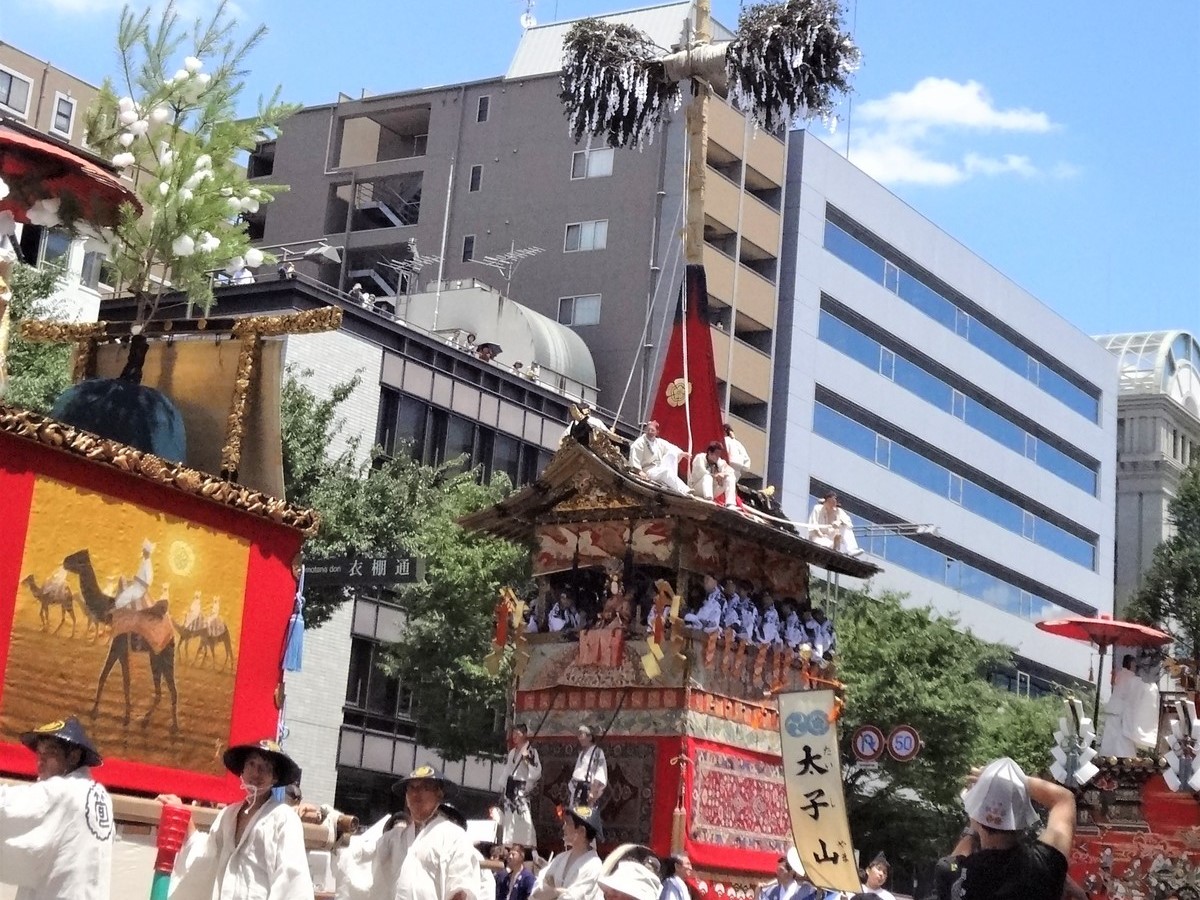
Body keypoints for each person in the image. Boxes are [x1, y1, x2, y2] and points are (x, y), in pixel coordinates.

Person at [0, 717, 113, 900]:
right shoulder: (100, 795)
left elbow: (7, 805)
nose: (40, 761)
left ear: (74, 756)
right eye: (39, 754)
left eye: (50, 752)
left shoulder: (65, 792)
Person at [948, 756, 1075, 900]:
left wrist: (991, 782)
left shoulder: (959, 874)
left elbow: (948, 867)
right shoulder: (1044, 864)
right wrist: (1014, 782)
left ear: (975, 817)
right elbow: (1064, 799)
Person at [381, 766, 482, 900]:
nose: (416, 794)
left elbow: (460, 888)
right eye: (411, 788)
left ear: (439, 794)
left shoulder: (454, 836)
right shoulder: (395, 837)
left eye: (425, 788)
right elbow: (363, 854)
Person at [529, 806, 603, 900]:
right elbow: (536, 889)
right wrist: (560, 891)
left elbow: (572, 898)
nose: (563, 827)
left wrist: (552, 890)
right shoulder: (560, 858)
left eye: (568, 823)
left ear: (581, 831)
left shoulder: (594, 866)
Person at [1098, 654, 1159, 757]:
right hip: (1121, 710)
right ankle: (1122, 757)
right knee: (1121, 738)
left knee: (1110, 736)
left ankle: (1106, 755)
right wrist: (1151, 686)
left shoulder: (1119, 674)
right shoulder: (1131, 677)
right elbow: (1140, 690)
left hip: (1113, 707)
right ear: (1131, 664)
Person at [501, 725, 541, 847]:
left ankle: (526, 845)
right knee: (509, 818)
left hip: (521, 789)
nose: (514, 736)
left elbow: (537, 772)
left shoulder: (531, 751)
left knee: (524, 818)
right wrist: (503, 788)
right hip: (510, 787)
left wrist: (527, 759)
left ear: (524, 734)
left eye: (517, 734)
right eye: (513, 734)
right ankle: (508, 844)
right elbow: (507, 771)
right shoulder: (512, 752)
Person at [627, 421, 690, 495]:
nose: (650, 432)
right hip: (648, 470)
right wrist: (639, 471)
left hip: (658, 467)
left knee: (672, 454)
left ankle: (675, 485)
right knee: (665, 471)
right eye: (648, 429)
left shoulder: (659, 442)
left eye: (652, 430)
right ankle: (684, 490)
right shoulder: (640, 442)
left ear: (657, 432)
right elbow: (635, 457)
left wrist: (682, 453)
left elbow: (672, 448)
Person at [568, 725, 608, 807]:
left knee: (585, 816)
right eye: (579, 736)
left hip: (588, 790)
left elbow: (600, 772)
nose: (579, 738)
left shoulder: (597, 752)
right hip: (577, 790)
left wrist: (593, 791)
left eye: (582, 735)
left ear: (590, 737)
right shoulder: (581, 753)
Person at [689, 442, 737, 508]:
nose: (718, 457)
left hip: (712, 490)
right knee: (707, 477)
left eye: (719, 454)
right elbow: (702, 472)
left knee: (730, 477)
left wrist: (723, 474)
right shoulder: (700, 458)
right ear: (710, 452)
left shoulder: (719, 461)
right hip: (697, 488)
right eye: (716, 454)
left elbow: (731, 471)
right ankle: (708, 499)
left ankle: (730, 503)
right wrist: (716, 476)